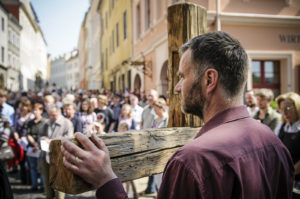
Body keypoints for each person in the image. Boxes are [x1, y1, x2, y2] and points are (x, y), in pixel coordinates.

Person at [61, 32, 294, 199]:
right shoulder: (274, 144)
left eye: (182, 76)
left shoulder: (192, 160)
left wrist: (106, 182)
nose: (176, 88)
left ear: (209, 80)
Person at [40, 104, 74, 199]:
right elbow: (40, 135)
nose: (52, 117)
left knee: (59, 182)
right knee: (47, 182)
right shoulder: (47, 122)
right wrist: (44, 139)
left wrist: (53, 141)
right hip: (46, 155)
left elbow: (70, 138)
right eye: (50, 115)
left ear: (59, 112)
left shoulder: (67, 123)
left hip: (60, 156)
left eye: (54, 115)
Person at [277, 92, 300, 198]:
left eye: (288, 108)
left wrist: (288, 174)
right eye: (281, 110)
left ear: (297, 107)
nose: (284, 113)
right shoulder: (282, 126)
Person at [140, 89, 158, 194]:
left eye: (152, 96)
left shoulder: (160, 109)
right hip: (145, 141)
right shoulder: (145, 109)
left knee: (154, 166)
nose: (150, 98)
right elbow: (142, 124)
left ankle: (151, 188)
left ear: (157, 96)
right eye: (149, 96)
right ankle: (151, 187)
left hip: (155, 141)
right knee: (149, 166)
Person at [26, 103, 46, 191]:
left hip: (41, 146)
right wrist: (34, 144)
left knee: (42, 167)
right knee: (33, 167)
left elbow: (46, 134)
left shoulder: (45, 122)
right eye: (34, 110)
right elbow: (28, 134)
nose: (35, 112)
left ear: (41, 111)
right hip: (32, 146)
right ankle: (34, 185)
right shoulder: (30, 122)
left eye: (37, 110)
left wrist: (38, 144)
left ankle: (43, 185)